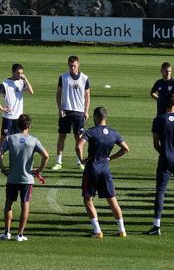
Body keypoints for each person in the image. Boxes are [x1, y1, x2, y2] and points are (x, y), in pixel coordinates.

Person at [75, 107, 129, 238]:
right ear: (106, 117)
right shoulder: (114, 133)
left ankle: (97, 230)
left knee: (88, 200)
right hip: (105, 169)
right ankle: (122, 230)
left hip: (92, 169)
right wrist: (110, 158)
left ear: (95, 117)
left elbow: (78, 145)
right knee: (112, 201)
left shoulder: (91, 132)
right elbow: (125, 149)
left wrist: (82, 160)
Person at [145, 94, 174, 235]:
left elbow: (156, 144)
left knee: (160, 192)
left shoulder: (158, 120)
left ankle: (156, 226)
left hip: (165, 158)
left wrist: (165, 152)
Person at [0, 114, 48, 242]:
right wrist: (39, 170)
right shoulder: (33, 140)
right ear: (29, 126)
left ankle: (7, 232)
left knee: (8, 204)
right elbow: (46, 156)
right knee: (25, 205)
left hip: (12, 178)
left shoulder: (10, 139)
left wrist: (3, 169)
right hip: (27, 179)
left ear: (17, 125)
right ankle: (20, 234)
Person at [52, 55, 90, 171]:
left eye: (74, 65)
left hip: (79, 112)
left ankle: (80, 161)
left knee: (78, 138)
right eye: (70, 66)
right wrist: (60, 108)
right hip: (65, 111)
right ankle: (58, 162)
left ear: (78, 64)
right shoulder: (63, 77)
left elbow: (87, 96)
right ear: (68, 65)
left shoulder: (84, 78)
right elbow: (58, 93)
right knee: (62, 136)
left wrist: (86, 111)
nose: (72, 68)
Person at [0, 63, 34, 159]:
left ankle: (18, 159)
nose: (20, 75)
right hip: (8, 117)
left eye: (21, 73)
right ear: (13, 72)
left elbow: (31, 92)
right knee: (4, 139)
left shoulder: (21, 82)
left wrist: (25, 79)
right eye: (18, 73)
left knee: (20, 138)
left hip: (19, 118)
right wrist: (1, 108)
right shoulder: (5, 84)